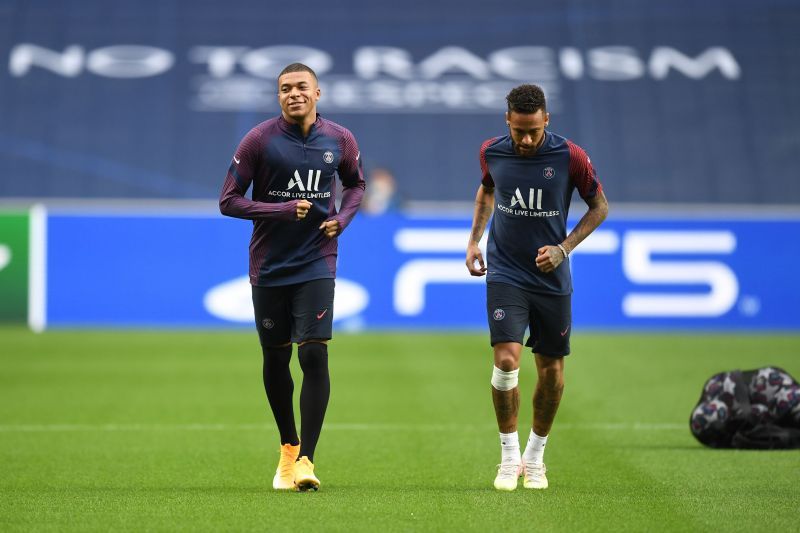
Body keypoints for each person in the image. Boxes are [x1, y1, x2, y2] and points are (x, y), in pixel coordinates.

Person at [219, 62, 365, 492]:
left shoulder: (340, 139)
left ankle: (306, 459)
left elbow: (356, 185)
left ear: (318, 93)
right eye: (285, 89)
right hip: (269, 264)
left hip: (318, 260)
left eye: (302, 87)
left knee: (314, 355)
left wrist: (344, 217)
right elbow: (227, 201)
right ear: (278, 96)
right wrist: (279, 210)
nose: (293, 93)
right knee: (276, 358)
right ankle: (287, 444)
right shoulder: (259, 140)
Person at [465, 84, 608, 491]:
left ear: (547, 120)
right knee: (507, 360)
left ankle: (536, 456)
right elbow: (487, 189)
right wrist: (474, 240)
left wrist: (564, 249)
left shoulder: (570, 156)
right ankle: (509, 457)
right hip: (506, 273)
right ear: (507, 121)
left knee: (552, 371)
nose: (526, 140)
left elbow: (600, 206)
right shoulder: (491, 151)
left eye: (533, 131)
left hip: (551, 278)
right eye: (519, 131)